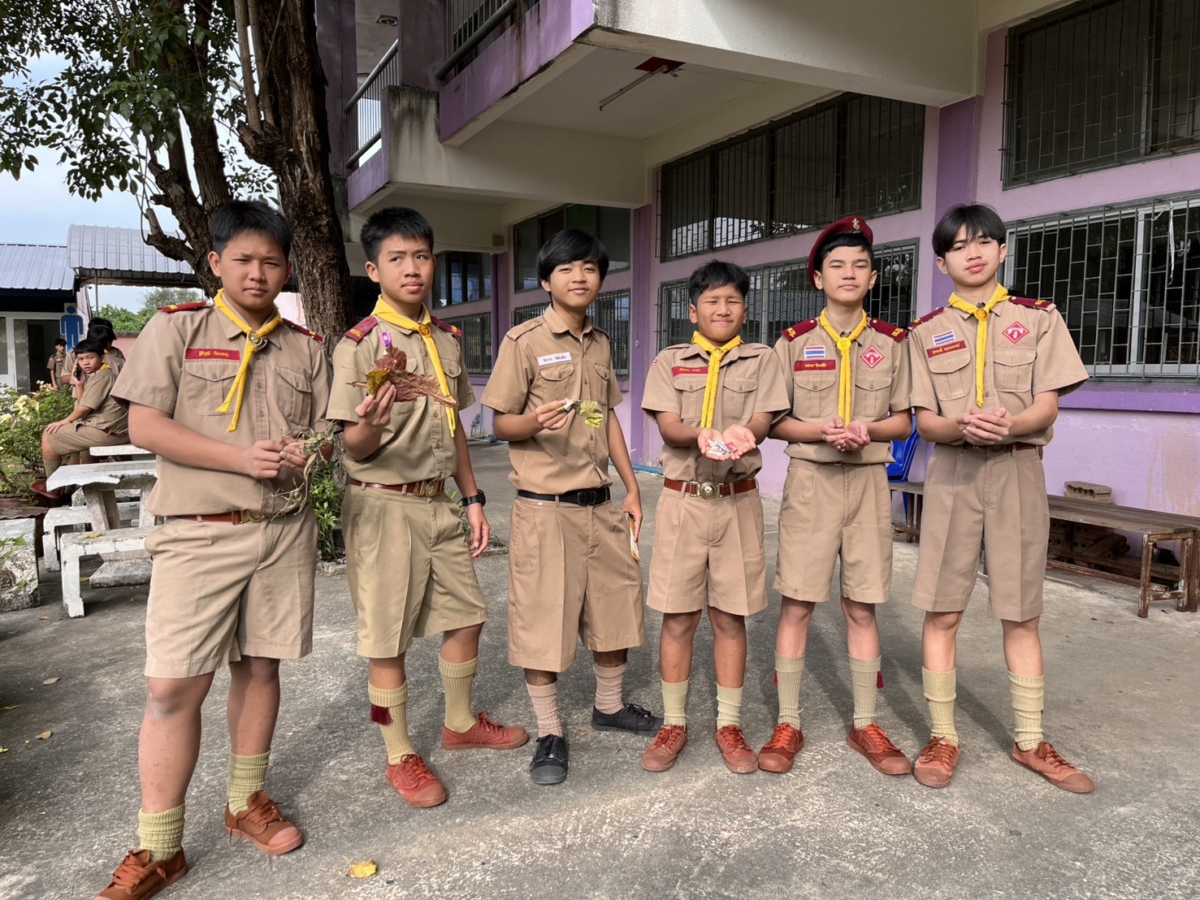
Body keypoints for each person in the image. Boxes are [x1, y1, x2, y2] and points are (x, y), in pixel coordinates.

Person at [94, 200, 332, 900]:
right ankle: (160, 846)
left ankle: (245, 802)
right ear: (216, 262)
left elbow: (325, 437)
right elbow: (144, 425)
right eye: (245, 260)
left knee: (260, 667)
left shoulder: (306, 348)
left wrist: (310, 452)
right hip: (198, 532)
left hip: (281, 532)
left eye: (272, 262)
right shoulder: (176, 330)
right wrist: (239, 458)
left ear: (287, 269)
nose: (258, 273)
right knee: (173, 686)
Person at [326, 207, 527, 810]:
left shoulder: (445, 339)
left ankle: (459, 723)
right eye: (397, 258)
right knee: (387, 640)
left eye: (420, 256)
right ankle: (399, 754)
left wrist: (473, 498)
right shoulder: (360, 346)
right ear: (374, 270)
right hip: (383, 506)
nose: (411, 268)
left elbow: (455, 426)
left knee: (468, 616)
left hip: (439, 503)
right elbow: (352, 446)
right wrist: (371, 424)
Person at [907, 203, 1094, 793]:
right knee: (943, 608)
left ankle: (1031, 740)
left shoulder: (1039, 319)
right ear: (942, 263)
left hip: (1017, 470)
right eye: (959, 246)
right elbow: (925, 422)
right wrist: (962, 425)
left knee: (1021, 609)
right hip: (954, 474)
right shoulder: (924, 332)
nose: (974, 252)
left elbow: (1047, 405)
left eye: (984, 241)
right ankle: (943, 736)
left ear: (1003, 250)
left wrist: (1008, 426)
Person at [482, 228, 660, 787]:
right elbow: (499, 423)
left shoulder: (601, 343)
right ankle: (549, 731)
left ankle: (609, 706)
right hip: (545, 508)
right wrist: (533, 422)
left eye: (589, 267)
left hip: (600, 504)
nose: (579, 276)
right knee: (544, 620)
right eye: (566, 268)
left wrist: (631, 487)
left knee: (615, 609)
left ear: (601, 278)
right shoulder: (523, 341)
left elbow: (608, 420)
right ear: (546, 281)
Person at [760, 217, 913, 776]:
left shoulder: (893, 344)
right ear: (818, 278)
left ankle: (866, 722)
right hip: (812, 482)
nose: (849, 273)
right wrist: (821, 431)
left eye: (860, 265)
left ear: (872, 279)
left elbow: (904, 420)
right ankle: (788, 722)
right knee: (798, 602)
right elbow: (773, 421)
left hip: (868, 482)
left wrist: (868, 430)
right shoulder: (793, 343)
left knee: (861, 604)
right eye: (837, 265)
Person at [639, 260, 789, 774]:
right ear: (692, 311)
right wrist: (699, 435)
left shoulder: (762, 359)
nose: (722, 309)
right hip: (683, 501)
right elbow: (668, 426)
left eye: (732, 301)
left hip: (738, 500)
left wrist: (748, 433)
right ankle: (674, 723)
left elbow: (763, 418)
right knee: (678, 615)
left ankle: (729, 724)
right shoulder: (669, 361)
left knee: (730, 615)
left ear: (745, 309)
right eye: (711, 301)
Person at [32, 337, 130, 498]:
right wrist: (78, 385)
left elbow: (84, 408)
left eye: (90, 358)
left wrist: (65, 421)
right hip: (110, 431)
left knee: (49, 434)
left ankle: (53, 486)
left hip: (106, 432)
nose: (85, 363)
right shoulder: (99, 375)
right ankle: (72, 486)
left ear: (102, 358)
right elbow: (84, 403)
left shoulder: (103, 376)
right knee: (74, 440)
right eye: (81, 359)